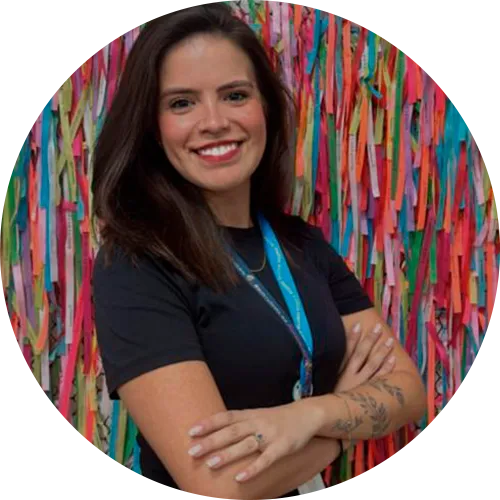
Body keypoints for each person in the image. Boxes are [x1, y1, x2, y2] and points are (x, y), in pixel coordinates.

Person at [91, 3, 426, 499]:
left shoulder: (302, 244)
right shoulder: (137, 264)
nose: (214, 121)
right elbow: (222, 488)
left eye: (235, 95)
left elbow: (408, 391)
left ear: (264, 107)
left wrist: (310, 415)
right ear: (151, 128)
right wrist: (343, 427)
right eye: (181, 103)